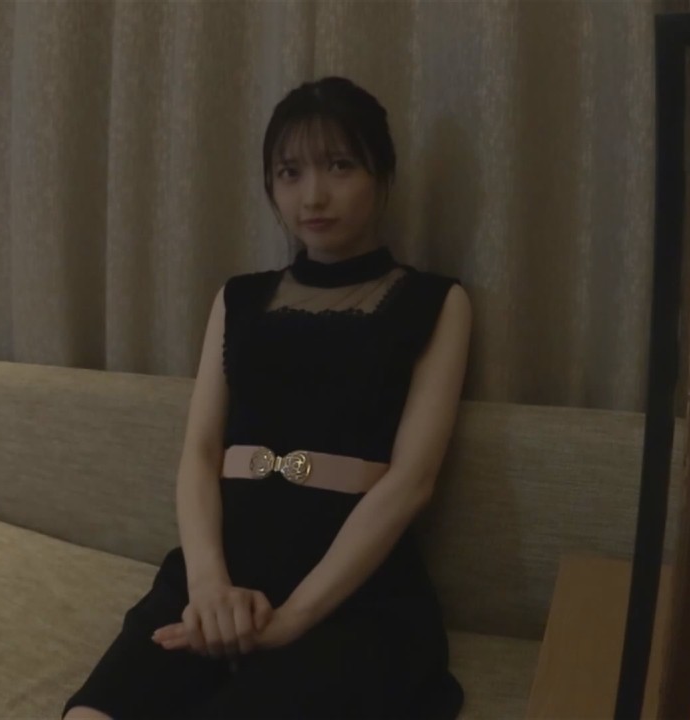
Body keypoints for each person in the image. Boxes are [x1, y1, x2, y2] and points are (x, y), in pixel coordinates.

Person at [62, 76, 472, 720]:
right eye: (289, 172)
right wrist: (207, 585)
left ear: (382, 175)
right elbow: (200, 453)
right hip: (221, 564)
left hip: (353, 590)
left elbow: (411, 483)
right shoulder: (239, 298)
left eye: (340, 165)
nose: (313, 195)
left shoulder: (436, 302)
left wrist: (293, 618)